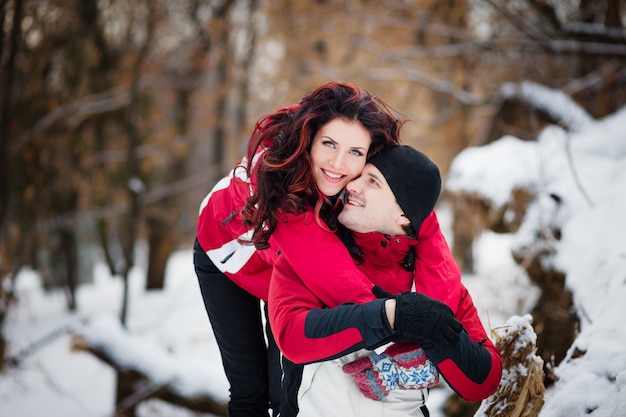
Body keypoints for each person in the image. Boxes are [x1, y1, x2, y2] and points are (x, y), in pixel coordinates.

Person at [193, 81, 405, 417]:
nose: (338, 163)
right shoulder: (280, 179)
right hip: (226, 256)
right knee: (250, 389)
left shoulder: (360, 176)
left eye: (354, 152)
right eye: (329, 144)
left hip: (286, 265)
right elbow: (336, 280)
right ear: (309, 138)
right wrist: (403, 325)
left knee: (287, 387)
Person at [268, 145, 503, 417]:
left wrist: (436, 332)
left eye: (373, 182)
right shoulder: (309, 257)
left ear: (403, 215)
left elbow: (483, 382)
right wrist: (391, 316)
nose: (352, 186)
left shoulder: (439, 284)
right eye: (360, 176)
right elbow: (294, 338)